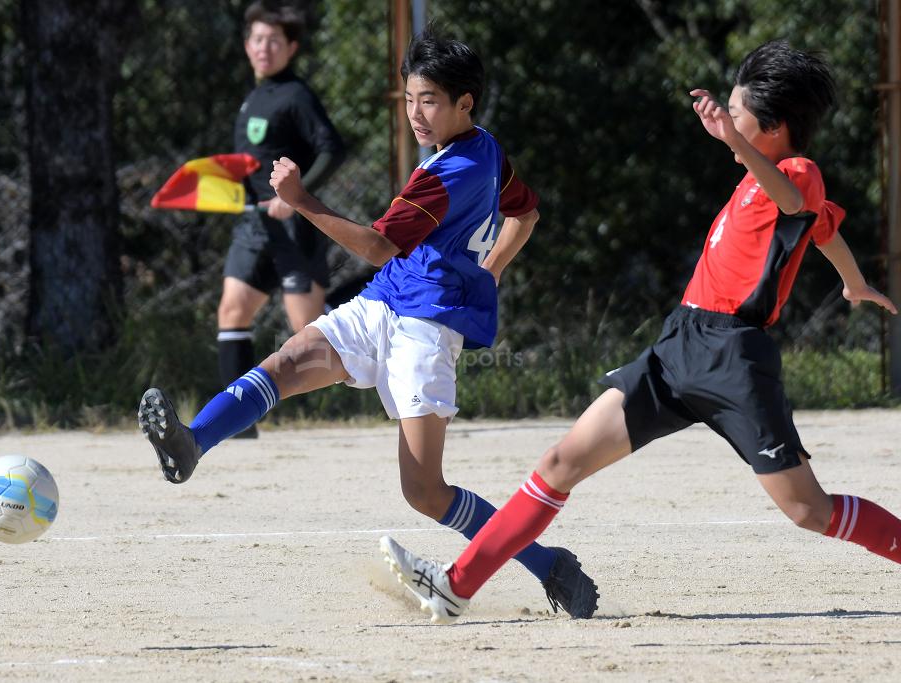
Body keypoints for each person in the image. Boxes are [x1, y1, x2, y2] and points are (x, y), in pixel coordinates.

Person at [379, 39, 901, 624]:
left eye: (738, 114)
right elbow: (824, 230)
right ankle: (456, 586)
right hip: (679, 346)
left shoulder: (796, 171)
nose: (725, 121)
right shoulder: (762, 180)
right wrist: (853, 283)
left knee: (807, 509)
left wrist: (732, 140)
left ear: (774, 126)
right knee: (560, 462)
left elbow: (796, 200)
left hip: (735, 357)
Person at [138, 27, 599, 619]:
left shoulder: (448, 171)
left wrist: (303, 200)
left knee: (425, 493)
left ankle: (548, 564)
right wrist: (493, 268)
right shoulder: (486, 148)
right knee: (283, 364)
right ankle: (192, 442)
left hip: (426, 327)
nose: (415, 113)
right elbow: (526, 211)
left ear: (465, 104)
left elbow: (380, 245)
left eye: (429, 100)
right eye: (409, 99)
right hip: (385, 301)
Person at [219, 1, 345, 437]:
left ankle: (378, 347)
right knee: (233, 310)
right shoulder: (254, 96)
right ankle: (234, 424)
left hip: (294, 228)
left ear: (291, 47)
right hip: (255, 228)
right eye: (256, 39)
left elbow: (333, 148)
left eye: (274, 40)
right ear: (246, 44)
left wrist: (295, 197)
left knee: (307, 335)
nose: (263, 48)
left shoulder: (296, 96)